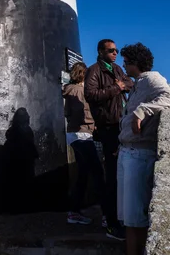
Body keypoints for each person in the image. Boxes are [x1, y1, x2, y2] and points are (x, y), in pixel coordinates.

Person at [118, 43, 170, 255]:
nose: (124, 66)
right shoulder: (138, 83)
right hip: (128, 151)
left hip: (139, 155)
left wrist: (142, 111)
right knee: (129, 217)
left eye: (126, 62)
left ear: (136, 63)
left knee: (136, 217)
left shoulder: (153, 79)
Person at [84, 39, 134, 240]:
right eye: (111, 50)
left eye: (116, 50)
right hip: (108, 127)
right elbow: (90, 94)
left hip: (121, 125)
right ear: (100, 51)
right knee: (112, 175)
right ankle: (111, 223)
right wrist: (117, 87)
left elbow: (130, 83)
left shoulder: (117, 68)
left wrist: (122, 85)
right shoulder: (94, 70)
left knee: (120, 174)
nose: (115, 53)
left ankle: (116, 217)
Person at [63, 62, 107, 225]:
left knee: (83, 173)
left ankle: (74, 212)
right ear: (84, 74)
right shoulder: (83, 92)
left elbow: (68, 113)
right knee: (97, 174)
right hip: (84, 134)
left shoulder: (68, 91)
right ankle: (107, 215)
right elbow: (88, 114)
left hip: (72, 134)